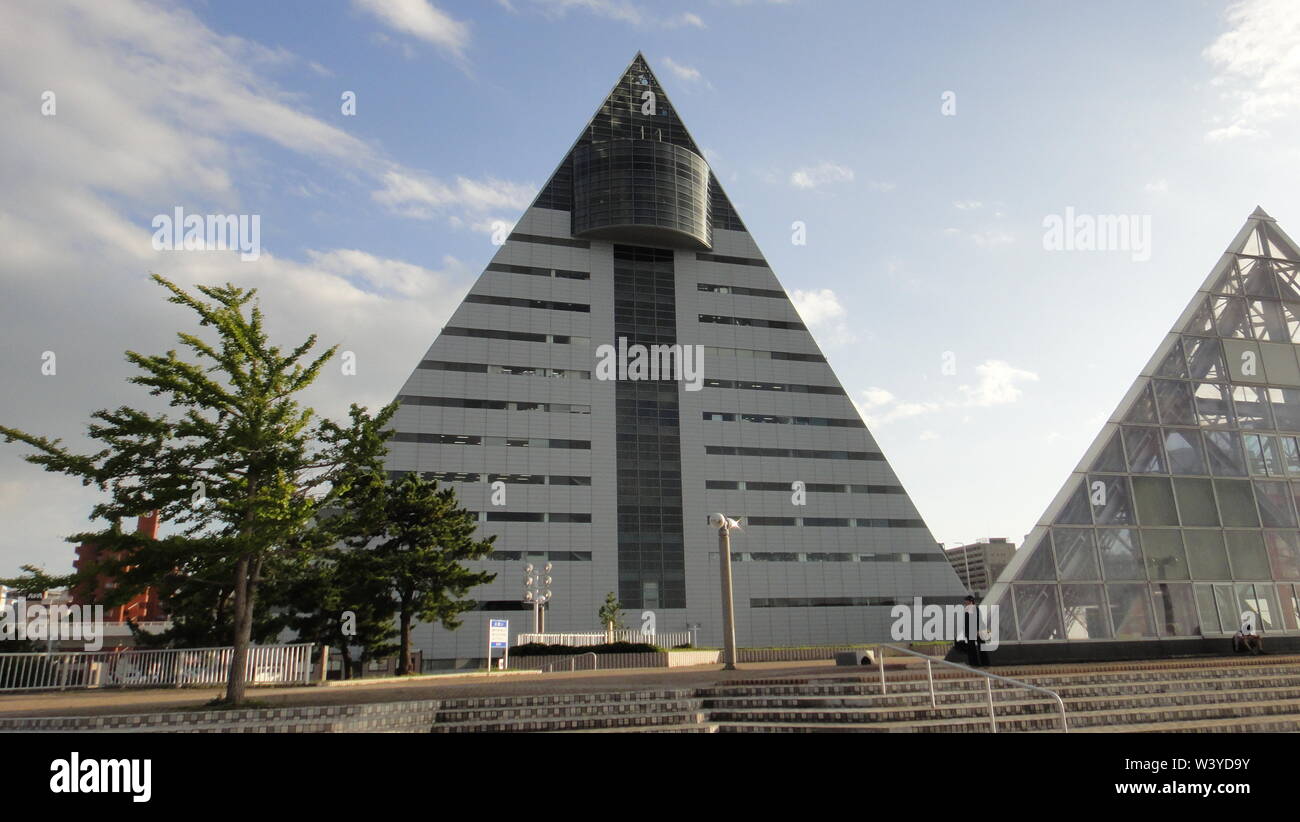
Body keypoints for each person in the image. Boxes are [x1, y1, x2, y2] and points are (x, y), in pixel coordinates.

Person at [961, 595, 990, 667]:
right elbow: (966, 622)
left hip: (978, 631)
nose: (965, 603)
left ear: (971, 602)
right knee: (971, 648)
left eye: (966, 602)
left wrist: (978, 630)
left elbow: (979, 620)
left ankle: (985, 663)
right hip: (970, 632)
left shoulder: (976, 609)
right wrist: (965, 632)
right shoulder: (966, 610)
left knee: (981, 647)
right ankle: (974, 664)